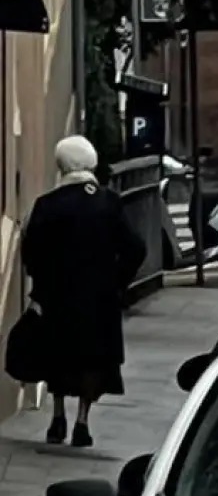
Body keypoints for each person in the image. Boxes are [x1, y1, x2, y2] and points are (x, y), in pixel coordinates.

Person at [21, 137, 146, 446]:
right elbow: (135, 248)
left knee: (59, 358)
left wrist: (43, 285)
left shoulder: (48, 205)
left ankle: (58, 417)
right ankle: (82, 421)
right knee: (91, 360)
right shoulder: (108, 202)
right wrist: (117, 282)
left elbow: (31, 252)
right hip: (99, 299)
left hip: (58, 297)